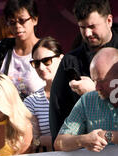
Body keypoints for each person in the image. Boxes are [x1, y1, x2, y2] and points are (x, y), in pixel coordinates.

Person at [49, 0, 118, 143]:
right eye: (82, 27)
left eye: (92, 26)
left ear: (109, 20)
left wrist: (95, 92)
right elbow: (58, 112)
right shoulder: (70, 62)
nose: (87, 33)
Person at [54, 47, 118, 152]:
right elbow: (59, 142)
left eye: (102, 81)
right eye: (94, 80)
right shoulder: (88, 100)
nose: (97, 88)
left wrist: (107, 135)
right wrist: (83, 140)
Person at [0, 0, 45, 99]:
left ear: (34, 19)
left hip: (38, 113)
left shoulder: (47, 50)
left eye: (22, 20)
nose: (17, 26)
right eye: (12, 22)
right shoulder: (2, 47)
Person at [24, 37, 63, 152]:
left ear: (61, 59)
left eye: (47, 61)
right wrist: (39, 140)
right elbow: (33, 141)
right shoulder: (31, 101)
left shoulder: (77, 92)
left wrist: (45, 139)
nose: (41, 67)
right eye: (36, 63)